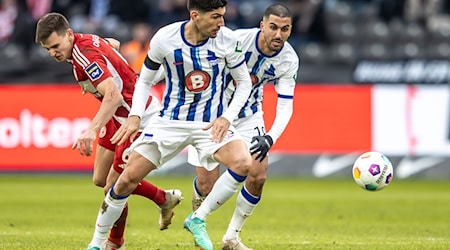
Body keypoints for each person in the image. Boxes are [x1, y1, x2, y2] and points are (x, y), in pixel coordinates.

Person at [86, 0, 254, 249]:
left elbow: (244, 83)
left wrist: (227, 117)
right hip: (169, 122)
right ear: (195, 15)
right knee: (124, 181)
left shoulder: (228, 40)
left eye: (222, 16)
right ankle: (97, 244)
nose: (222, 23)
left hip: (209, 123)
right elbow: (144, 81)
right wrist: (135, 116)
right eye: (216, 17)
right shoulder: (165, 38)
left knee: (243, 163)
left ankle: (197, 218)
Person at [35, 12, 182, 250]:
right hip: (117, 116)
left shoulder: (84, 56)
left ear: (69, 35)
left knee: (112, 188)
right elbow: (112, 43)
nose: (53, 53)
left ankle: (114, 243)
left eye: (55, 46)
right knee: (100, 179)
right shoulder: (83, 43)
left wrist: (91, 130)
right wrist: (113, 57)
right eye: (47, 49)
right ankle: (162, 198)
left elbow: (112, 96)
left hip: (136, 115)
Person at [188, 3, 299, 249]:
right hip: (212, 114)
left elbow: (285, 105)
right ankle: (199, 215)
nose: (278, 35)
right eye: (273, 27)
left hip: (249, 115)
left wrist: (270, 137)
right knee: (207, 184)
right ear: (262, 25)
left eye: (285, 29)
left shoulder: (289, 59)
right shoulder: (236, 40)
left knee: (258, 175)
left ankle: (231, 237)